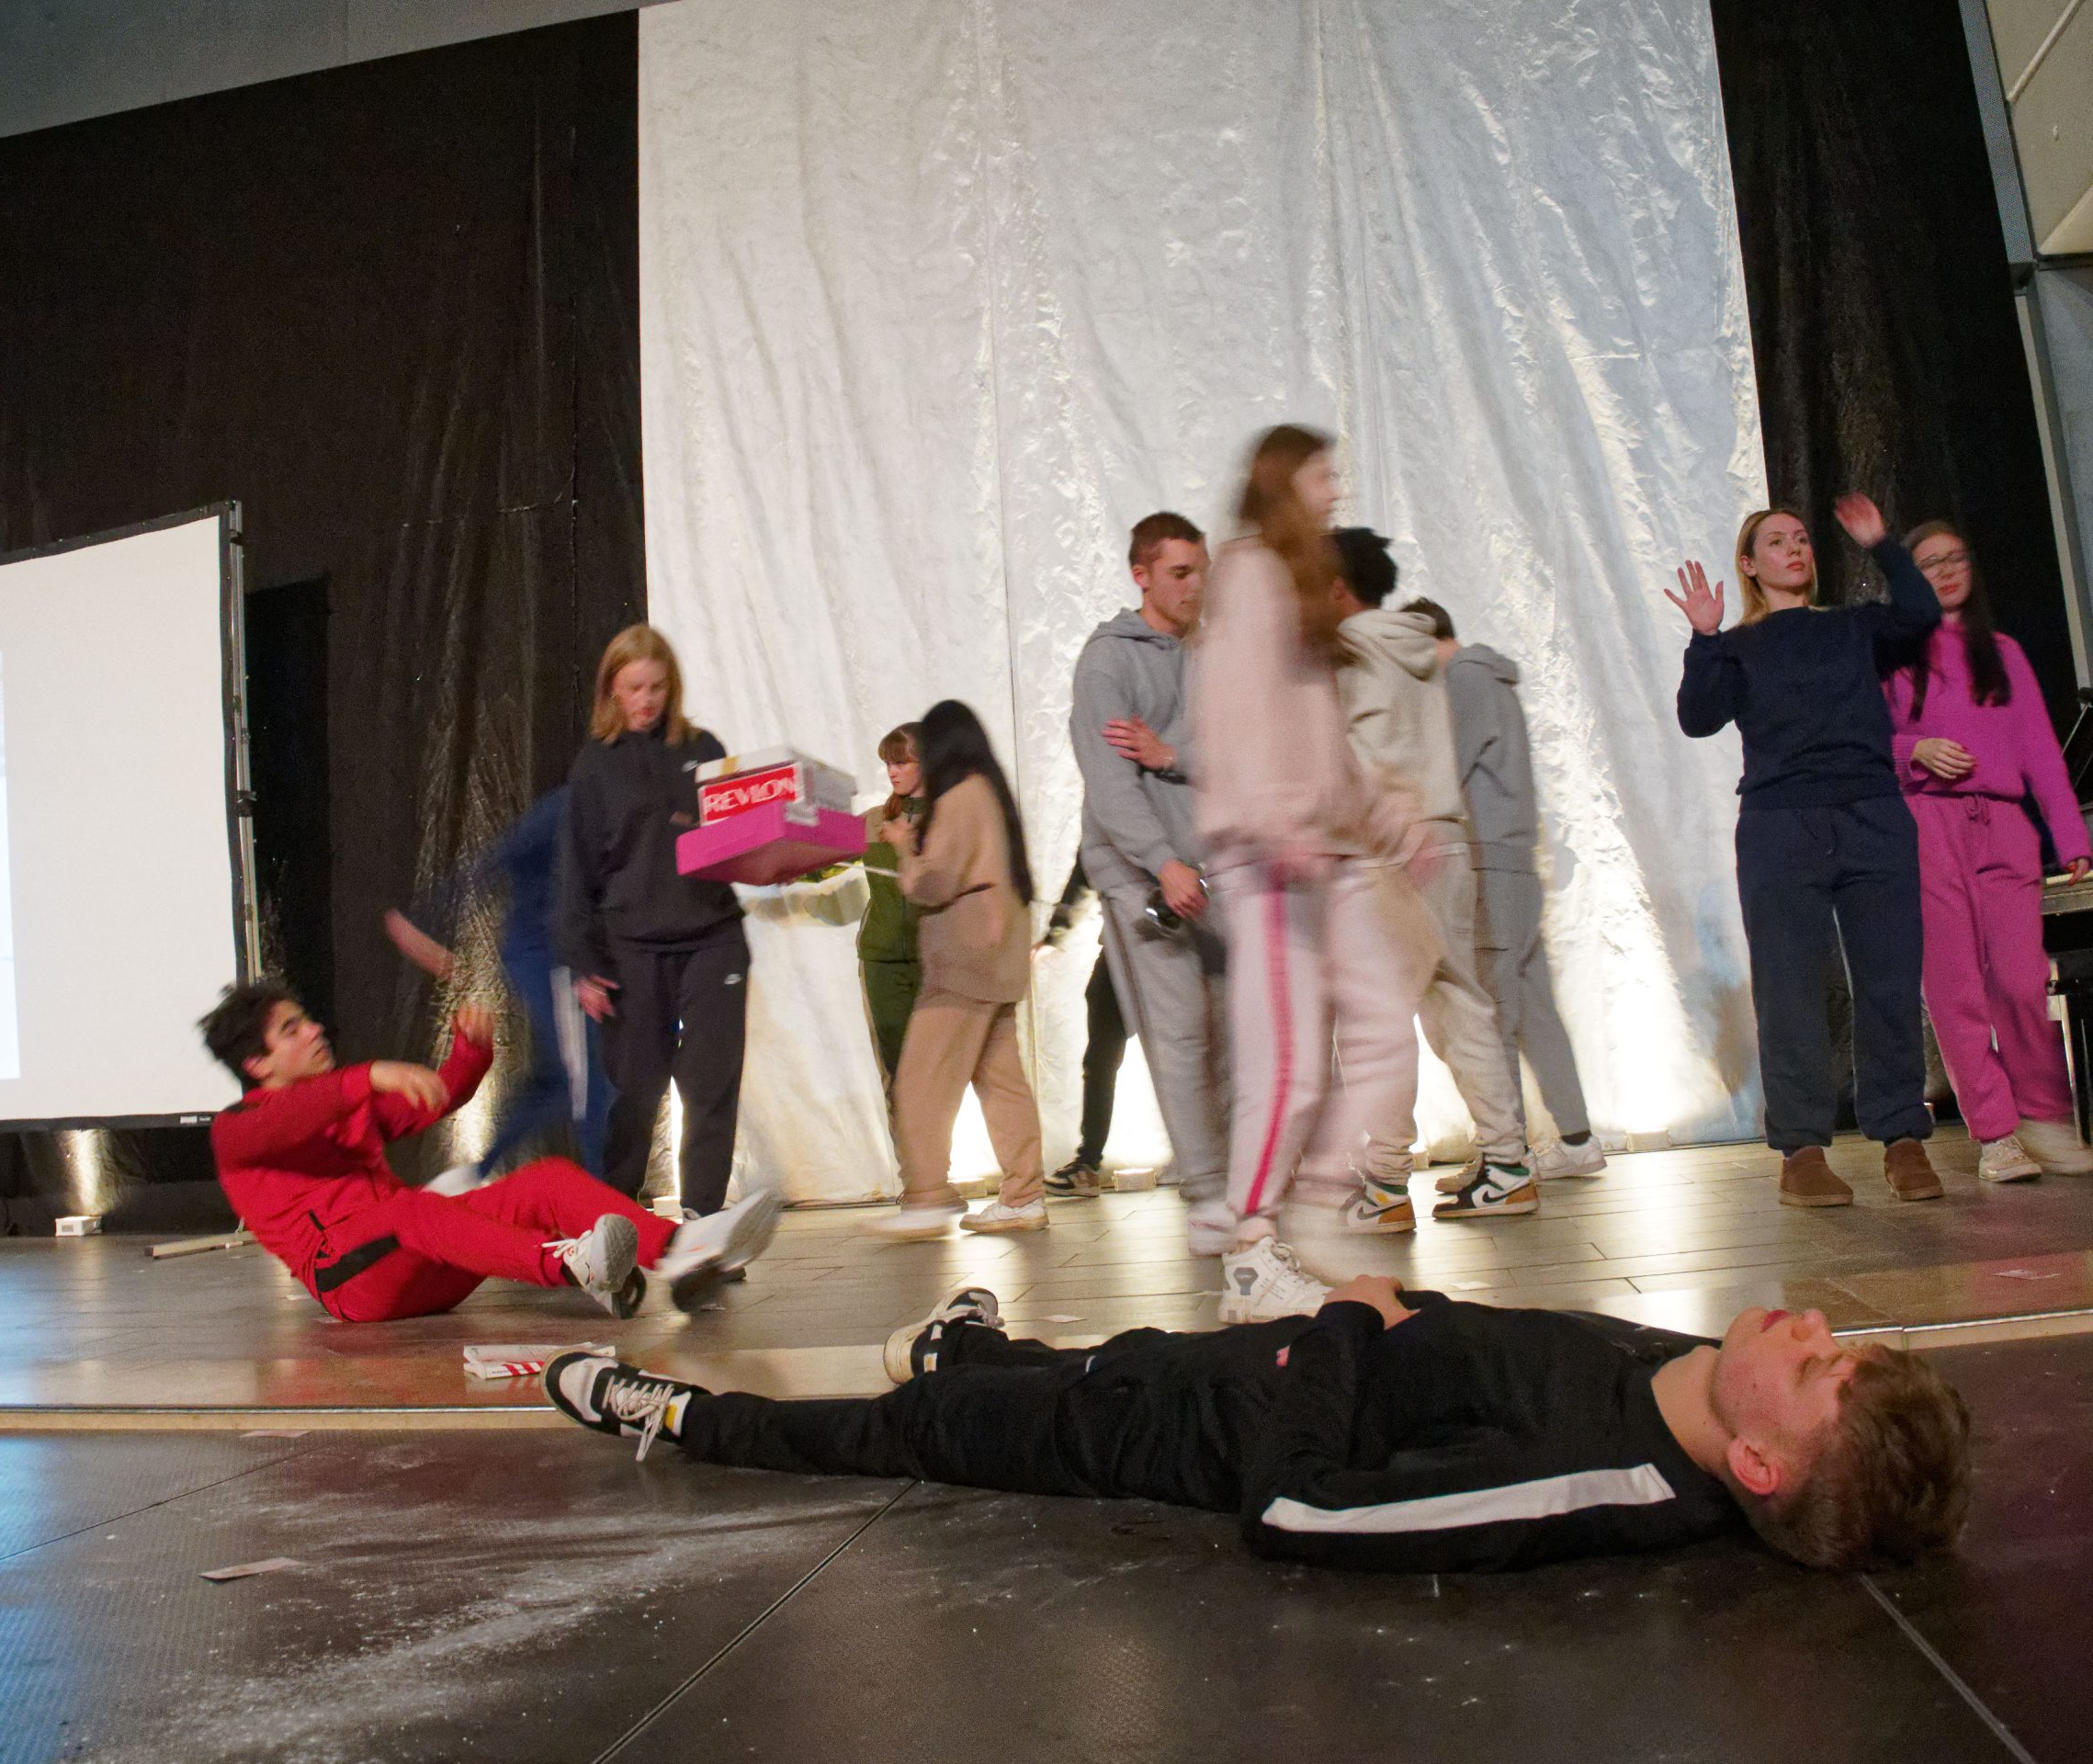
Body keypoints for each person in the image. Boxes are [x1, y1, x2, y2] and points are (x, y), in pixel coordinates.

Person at [543, 1279, 1971, 1577]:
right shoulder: (1685, 1367)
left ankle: (679, 1412)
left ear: (1761, 1465)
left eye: (1820, 1367)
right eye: (1837, 1339)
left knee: (910, 1427)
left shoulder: (1595, 1481)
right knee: (1059, 1360)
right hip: (1226, 1363)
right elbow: (1489, 1352)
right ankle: (970, 1343)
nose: (1807, 1324)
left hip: (1165, 1431)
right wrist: (1395, 1310)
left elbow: (1300, 1511)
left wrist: (1347, 1321)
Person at [1191, 424, 1428, 1320]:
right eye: (1322, 475)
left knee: (1384, 1029)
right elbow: (1233, 714)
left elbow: (1320, 740)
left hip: (1329, 851)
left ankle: (1318, 1202)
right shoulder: (1249, 573)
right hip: (1271, 859)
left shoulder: (1293, 584)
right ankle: (1251, 1248)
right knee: (1287, 1063)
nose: (1335, 490)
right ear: (1284, 481)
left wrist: (1387, 818)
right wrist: (1272, 820)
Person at [198, 980, 780, 1321]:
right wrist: (368, 1075)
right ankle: (572, 1264)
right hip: (354, 1286)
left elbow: (437, 1096)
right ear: (257, 1064)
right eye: (291, 1030)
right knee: (414, 1208)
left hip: (424, 1261)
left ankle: (679, 1251)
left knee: (544, 1180)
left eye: (305, 1020)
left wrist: (469, 1053)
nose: (314, 1030)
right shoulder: (236, 1133)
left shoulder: (343, 1104)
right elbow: (289, 1120)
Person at [1673, 497, 1944, 1206]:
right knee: (1788, 989)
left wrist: (1882, 544)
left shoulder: (1853, 627)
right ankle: (1801, 1151)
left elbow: (1921, 616)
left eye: (1801, 538)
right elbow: (1698, 718)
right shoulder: (1739, 644)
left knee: (1889, 981)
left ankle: (1902, 1138)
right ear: (1749, 564)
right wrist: (1704, 638)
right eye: (1776, 541)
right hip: (1781, 824)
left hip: (1871, 814)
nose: (1794, 548)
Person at [1330, 529, 1536, 1228]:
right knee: (1460, 1005)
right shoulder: (1417, 647)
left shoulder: (1346, 653)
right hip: (1445, 841)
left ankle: (1386, 1185)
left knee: (1374, 1023)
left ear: (1335, 586)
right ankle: (1508, 1164)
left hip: (1387, 852)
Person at [1887, 521, 2093, 1182]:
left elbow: (2041, 750)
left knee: (2020, 979)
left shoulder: (2001, 652)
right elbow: (1863, 744)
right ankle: (1997, 1134)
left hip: (2004, 826)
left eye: (1956, 558)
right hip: (1930, 823)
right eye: (1930, 563)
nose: (1947, 571)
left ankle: (2044, 1116)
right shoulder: (1892, 655)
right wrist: (1913, 749)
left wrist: (2071, 837)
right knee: (1955, 985)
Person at [1069, 512, 1229, 1245]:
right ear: (1141, 575)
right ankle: (1208, 1195)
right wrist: (1161, 863)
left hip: (1216, 870)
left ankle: (1239, 1187)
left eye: (1201, 571)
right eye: (1179, 573)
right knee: (1180, 1033)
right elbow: (1110, 781)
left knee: (1233, 1036)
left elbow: (1241, 755)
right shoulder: (1108, 661)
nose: (1196, 586)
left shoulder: (1213, 656)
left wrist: (1172, 754)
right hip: (1144, 878)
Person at [553, 625, 750, 1219]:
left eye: (657, 687)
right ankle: (616, 1220)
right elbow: (575, 870)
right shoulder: (595, 765)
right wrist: (584, 965)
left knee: (711, 1083)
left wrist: (778, 857)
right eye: (635, 687)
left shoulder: (704, 749)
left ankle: (703, 1221)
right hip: (632, 949)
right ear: (612, 689)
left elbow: (737, 837)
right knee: (635, 1091)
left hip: (713, 938)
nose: (646, 700)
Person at [1405, 597, 1604, 1182]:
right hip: (1513, 861)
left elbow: (1442, 773)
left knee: (1488, 1015)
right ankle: (1575, 1140)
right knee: (1535, 1010)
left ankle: (1506, 1157)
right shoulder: (1494, 678)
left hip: (1488, 865)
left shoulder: (1464, 681)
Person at [866, 700, 1046, 1238]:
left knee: (919, 1079)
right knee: (1002, 1081)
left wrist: (904, 848)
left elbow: (932, 881)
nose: (898, 769)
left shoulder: (959, 798)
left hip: (965, 958)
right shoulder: (989, 792)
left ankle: (926, 1197)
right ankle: (1024, 1196)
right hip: (997, 954)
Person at [382, 786, 616, 1188]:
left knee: (557, 1081)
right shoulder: (567, 808)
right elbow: (493, 863)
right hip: (546, 956)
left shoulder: (621, 801)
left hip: (578, 953)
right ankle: (607, 1197)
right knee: (587, 1080)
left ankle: (479, 1171)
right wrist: (421, 922)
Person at [1041, 857, 1131, 1198]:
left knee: (1183, 1051)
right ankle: (1088, 1163)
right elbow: (1085, 869)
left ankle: (1205, 1163)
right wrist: (1056, 932)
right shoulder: (1101, 829)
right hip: (1120, 946)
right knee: (1100, 1060)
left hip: (1168, 939)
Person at [858, 724, 926, 1091]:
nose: (892, 772)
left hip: (936, 961)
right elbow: (821, 857)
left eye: (901, 762)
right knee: (897, 1073)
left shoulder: (951, 821)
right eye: (888, 763)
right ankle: (905, 1134)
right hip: (882, 961)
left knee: (936, 1075)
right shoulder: (873, 821)